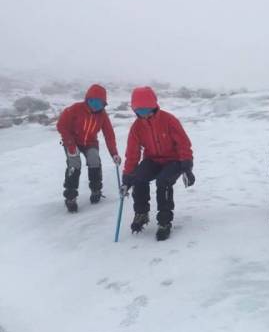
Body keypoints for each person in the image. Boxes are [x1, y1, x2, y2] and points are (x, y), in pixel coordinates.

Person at [121, 86, 195, 241]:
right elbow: (132, 153)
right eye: (139, 112)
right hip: (153, 159)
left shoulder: (169, 120)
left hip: (173, 160)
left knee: (163, 181)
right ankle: (141, 213)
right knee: (139, 178)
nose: (144, 115)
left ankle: (164, 221)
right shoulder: (137, 127)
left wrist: (187, 167)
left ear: (154, 106)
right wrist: (127, 179)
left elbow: (183, 144)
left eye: (147, 109)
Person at [56, 84, 121, 212]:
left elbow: (109, 135)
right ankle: (70, 197)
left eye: (99, 102)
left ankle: (96, 189)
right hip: (72, 141)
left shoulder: (102, 115)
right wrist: (70, 143)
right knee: (74, 164)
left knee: (94, 160)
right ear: (87, 99)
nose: (95, 105)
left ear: (103, 104)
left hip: (90, 143)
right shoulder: (74, 109)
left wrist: (114, 153)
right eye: (92, 101)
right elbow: (61, 125)